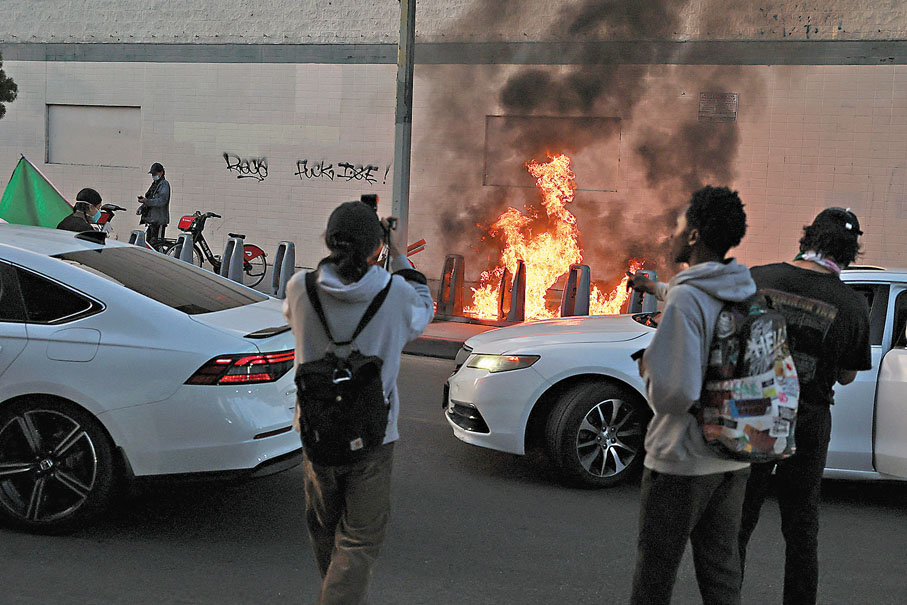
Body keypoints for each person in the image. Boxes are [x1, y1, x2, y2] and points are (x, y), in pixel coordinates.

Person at [282, 200, 434, 604]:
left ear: (328, 241)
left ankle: (337, 592)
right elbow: (424, 310)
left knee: (324, 528)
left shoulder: (301, 289)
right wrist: (397, 254)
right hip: (373, 436)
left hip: (315, 433)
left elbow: (290, 316)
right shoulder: (395, 293)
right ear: (375, 249)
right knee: (360, 540)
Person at [737, 208, 871, 604]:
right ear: (850, 252)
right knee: (800, 529)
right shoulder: (851, 306)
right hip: (808, 420)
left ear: (807, 237)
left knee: (738, 520)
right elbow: (847, 375)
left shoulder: (759, 278)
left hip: (755, 412)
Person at [629, 185, 754, 605]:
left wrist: (648, 369)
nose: (673, 233)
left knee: (655, 576)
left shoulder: (686, 299)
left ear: (696, 235)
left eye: (680, 223)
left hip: (681, 461)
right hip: (732, 455)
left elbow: (674, 395)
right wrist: (657, 288)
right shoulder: (743, 289)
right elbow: (698, 297)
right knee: (721, 577)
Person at [137, 162, 170, 243]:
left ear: (161, 173)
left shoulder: (164, 184)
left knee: (157, 245)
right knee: (149, 244)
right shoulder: (155, 184)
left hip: (159, 221)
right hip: (151, 220)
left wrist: (146, 201)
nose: (153, 176)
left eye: (155, 173)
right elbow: (149, 198)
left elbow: (161, 201)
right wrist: (141, 208)